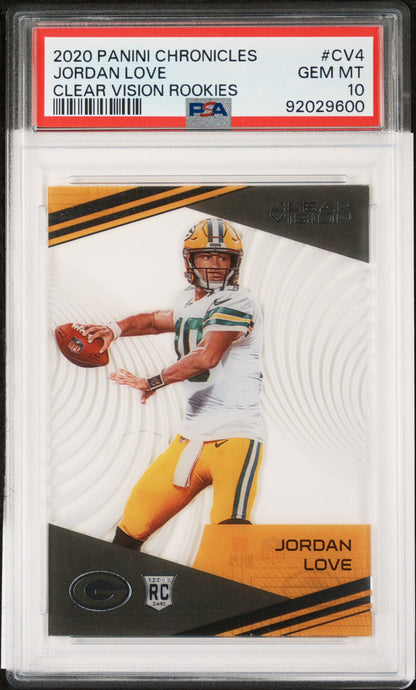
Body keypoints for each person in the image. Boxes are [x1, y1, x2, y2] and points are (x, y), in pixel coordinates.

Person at [83, 217, 264, 551]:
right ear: (189, 259)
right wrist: (114, 329)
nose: (215, 265)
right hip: (189, 439)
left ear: (235, 263)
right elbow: (154, 321)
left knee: (231, 544)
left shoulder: (238, 302)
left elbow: (206, 357)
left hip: (235, 437)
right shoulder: (187, 300)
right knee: (129, 531)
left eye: (223, 257)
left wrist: (151, 382)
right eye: (206, 256)